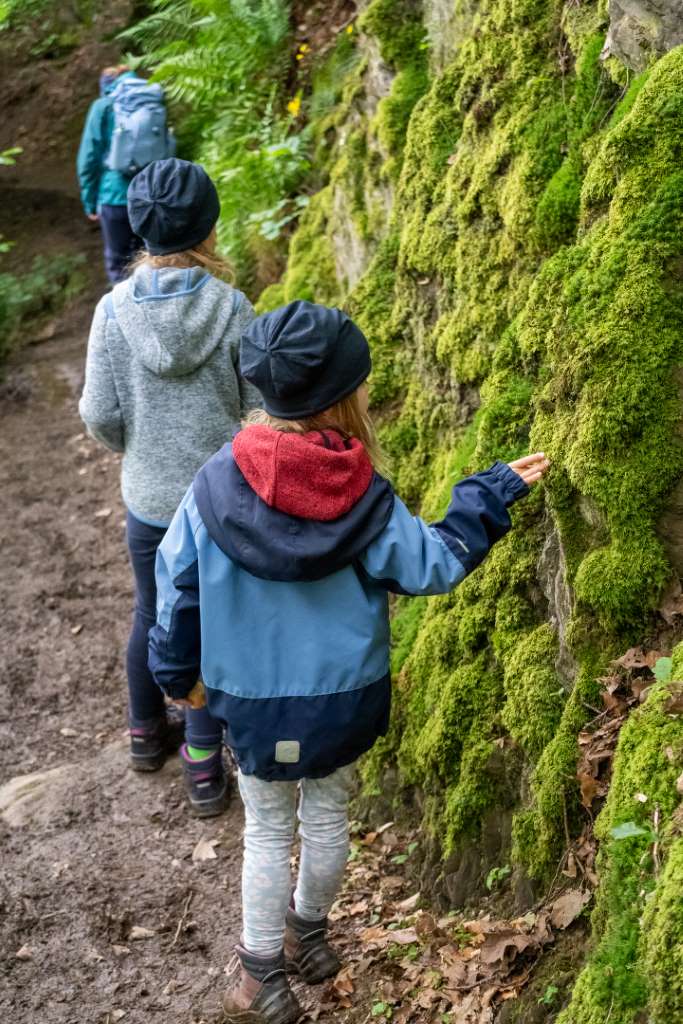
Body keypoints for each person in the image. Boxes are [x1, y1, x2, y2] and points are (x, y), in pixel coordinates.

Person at [148, 300, 550, 1022]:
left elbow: (175, 590)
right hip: (344, 695)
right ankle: (311, 935)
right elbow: (432, 565)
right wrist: (489, 494)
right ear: (345, 395)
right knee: (328, 815)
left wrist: (179, 681)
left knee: (268, 829)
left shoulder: (212, 486)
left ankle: (259, 977)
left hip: (252, 700)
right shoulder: (360, 492)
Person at [79, 158, 261, 817]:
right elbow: (256, 405)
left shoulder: (111, 311)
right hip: (220, 506)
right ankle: (205, 771)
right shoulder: (232, 307)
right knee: (211, 626)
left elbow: (98, 413)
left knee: (149, 613)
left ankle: (142, 733)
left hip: (150, 503)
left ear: (139, 230)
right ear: (209, 226)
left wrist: (136, 454)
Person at [77, 66, 141, 283]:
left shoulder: (103, 106)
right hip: (150, 194)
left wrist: (89, 201)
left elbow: (88, 158)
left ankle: (126, 315)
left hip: (114, 196)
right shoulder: (151, 99)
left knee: (118, 264)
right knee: (151, 259)